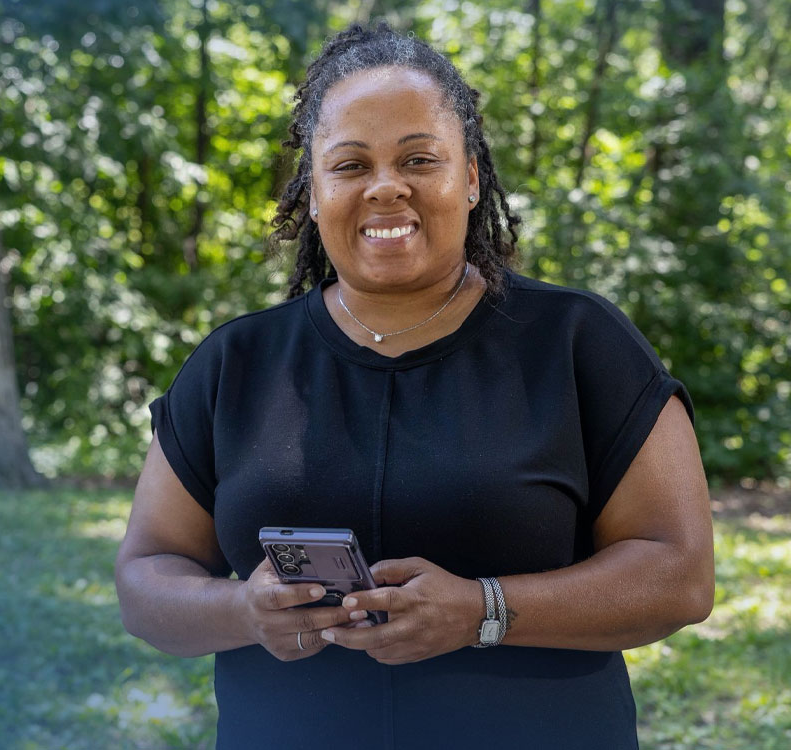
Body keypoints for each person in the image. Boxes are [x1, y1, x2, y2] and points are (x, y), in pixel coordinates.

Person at [113, 22, 715, 749]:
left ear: (469, 180)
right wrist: (244, 611)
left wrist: (482, 609)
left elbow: (680, 577)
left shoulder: (578, 342)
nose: (386, 187)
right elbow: (145, 579)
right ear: (312, 192)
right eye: (350, 165)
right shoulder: (235, 362)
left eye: (419, 159)